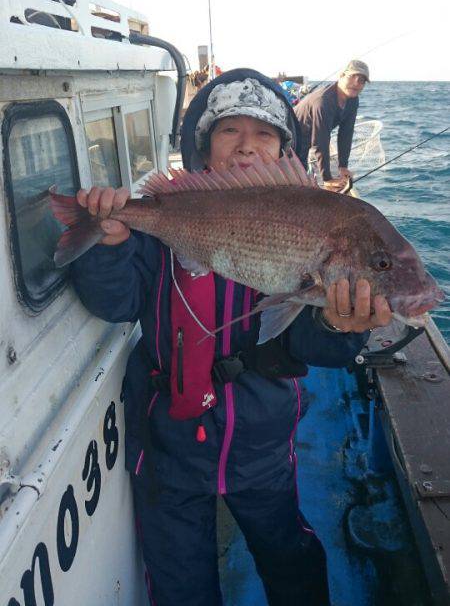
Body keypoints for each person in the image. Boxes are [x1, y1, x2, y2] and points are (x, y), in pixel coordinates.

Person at [70, 69, 391, 606]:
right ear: (203, 146)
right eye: (229, 131)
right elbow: (115, 303)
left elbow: (315, 349)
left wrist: (340, 325)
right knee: (180, 583)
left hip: (261, 446)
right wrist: (108, 244)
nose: (247, 146)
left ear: (284, 148)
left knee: (291, 560)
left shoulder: (307, 224)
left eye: (264, 134)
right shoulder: (165, 225)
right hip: (169, 447)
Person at [294, 60, 370, 191]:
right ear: (340, 76)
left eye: (362, 80)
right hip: (292, 134)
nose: (357, 82)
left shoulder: (353, 100)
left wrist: (343, 166)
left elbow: (346, 133)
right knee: (297, 179)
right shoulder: (323, 101)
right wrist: (327, 179)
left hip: (311, 134)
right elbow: (320, 141)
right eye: (352, 76)